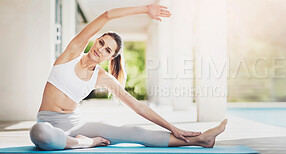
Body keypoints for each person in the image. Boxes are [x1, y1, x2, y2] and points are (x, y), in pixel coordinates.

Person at [29, 4, 227, 150]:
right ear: (96, 41)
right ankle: (87, 142)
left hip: (76, 125)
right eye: (101, 43)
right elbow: (107, 15)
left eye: (107, 50)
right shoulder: (72, 53)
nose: (100, 49)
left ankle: (200, 140)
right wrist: (145, 9)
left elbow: (137, 106)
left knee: (134, 132)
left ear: (110, 57)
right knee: (39, 133)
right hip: (48, 122)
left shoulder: (102, 77)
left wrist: (172, 127)